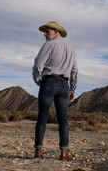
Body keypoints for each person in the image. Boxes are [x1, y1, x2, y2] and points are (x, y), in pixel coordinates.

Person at [32, 21, 78, 160]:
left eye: (47, 31)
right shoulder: (70, 48)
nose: (44, 34)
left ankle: (38, 151)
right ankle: (64, 152)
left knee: (42, 117)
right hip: (64, 85)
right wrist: (73, 88)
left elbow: (38, 65)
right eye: (44, 32)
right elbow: (75, 70)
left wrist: (38, 81)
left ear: (56, 32)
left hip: (49, 82)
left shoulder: (49, 45)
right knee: (63, 119)